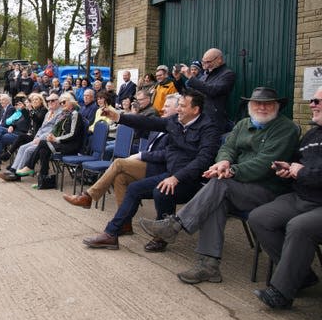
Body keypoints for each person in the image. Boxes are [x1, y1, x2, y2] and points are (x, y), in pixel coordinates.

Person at [139, 87, 300, 284]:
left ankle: (175, 225)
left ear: (277, 106)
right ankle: (209, 267)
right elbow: (227, 148)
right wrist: (223, 162)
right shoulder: (243, 124)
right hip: (237, 187)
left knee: (220, 185)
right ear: (250, 105)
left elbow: (266, 163)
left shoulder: (286, 128)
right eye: (257, 103)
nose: (262, 107)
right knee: (215, 202)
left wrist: (232, 171)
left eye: (268, 104)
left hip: (267, 190)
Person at [81, 90, 220, 250]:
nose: (179, 109)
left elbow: (203, 160)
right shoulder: (175, 121)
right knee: (134, 188)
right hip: (170, 174)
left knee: (161, 192)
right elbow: (148, 122)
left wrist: (176, 178)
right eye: (179, 105)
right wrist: (119, 117)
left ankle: (161, 237)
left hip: (190, 180)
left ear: (195, 110)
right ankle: (111, 234)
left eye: (182, 106)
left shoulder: (209, 129)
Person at [249, 86, 322, 309]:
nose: (312, 104)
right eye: (312, 100)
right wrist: (287, 168)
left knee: (299, 227)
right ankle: (302, 275)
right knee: (259, 217)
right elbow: (297, 162)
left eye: (318, 101)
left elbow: (309, 172)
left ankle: (282, 292)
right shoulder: (312, 134)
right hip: (301, 197)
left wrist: (300, 172)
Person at [63, 94, 180, 227]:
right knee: (120, 178)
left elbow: (167, 154)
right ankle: (124, 224)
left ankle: (88, 196)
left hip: (160, 169)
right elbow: (141, 133)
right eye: (164, 105)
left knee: (118, 162)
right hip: (147, 165)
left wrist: (141, 155)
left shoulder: (178, 128)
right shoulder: (161, 124)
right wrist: (133, 115)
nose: (163, 108)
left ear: (178, 110)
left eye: (167, 106)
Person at [15, 92, 85, 189]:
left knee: (43, 143)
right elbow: (58, 130)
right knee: (43, 150)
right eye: (60, 103)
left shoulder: (75, 114)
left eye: (63, 102)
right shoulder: (64, 114)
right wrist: (52, 136)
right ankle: (44, 181)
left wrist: (56, 139)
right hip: (62, 143)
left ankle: (30, 166)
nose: (62, 105)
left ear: (71, 102)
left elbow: (73, 134)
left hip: (71, 145)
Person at [0, 93, 61, 182]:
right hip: (37, 137)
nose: (50, 102)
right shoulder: (49, 113)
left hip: (47, 140)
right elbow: (41, 127)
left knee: (27, 149)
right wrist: (37, 136)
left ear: (58, 102)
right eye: (49, 100)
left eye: (53, 100)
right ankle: (13, 169)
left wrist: (40, 138)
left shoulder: (57, 113)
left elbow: (53, 130)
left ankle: (16, 174)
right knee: (22, 147)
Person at [182, 48, 235, 132]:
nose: (205, 65)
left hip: (214, 121)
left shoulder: (228, 74)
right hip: (200, 118)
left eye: (208, 62)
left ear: (219, 59)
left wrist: (191, 78)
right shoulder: (206, 74)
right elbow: (195, 91)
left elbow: (212, 90)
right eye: (203, 62)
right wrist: (177, 80)